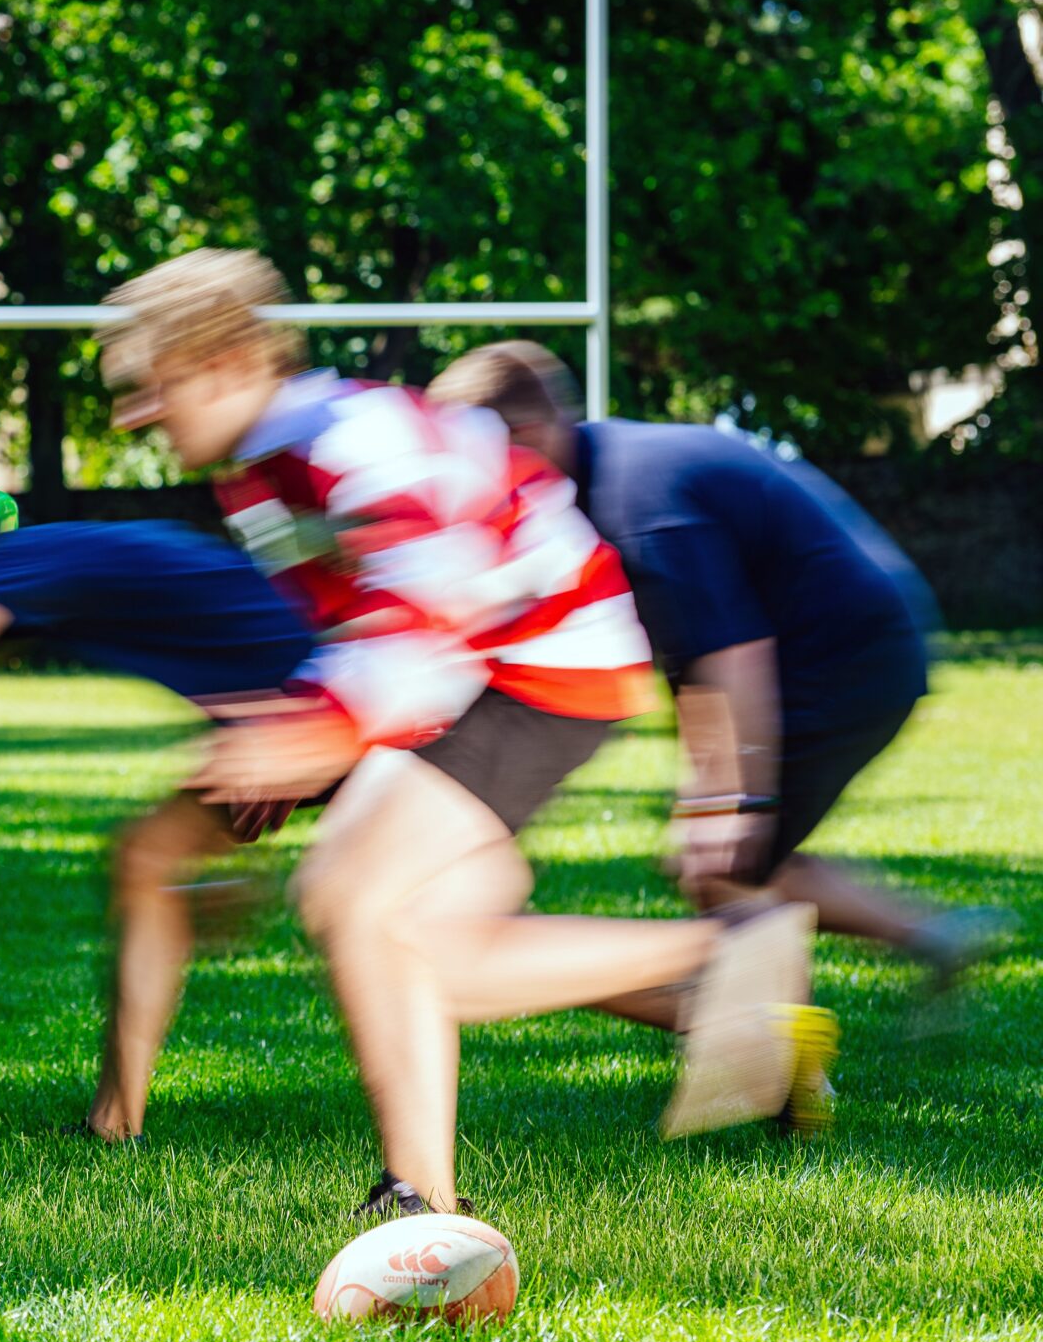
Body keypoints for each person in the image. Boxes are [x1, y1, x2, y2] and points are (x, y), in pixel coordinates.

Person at [98, 249, 836, 1217]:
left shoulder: (345, 439)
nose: (132, 416)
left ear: (225, 364)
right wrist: (289, 747)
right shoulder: (264, 466)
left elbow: (429, 619)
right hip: (493, 667)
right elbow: (354, 627)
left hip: (536, 666)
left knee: (350, 896)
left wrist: (315, 738)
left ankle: (421, 1198)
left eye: (148, 385)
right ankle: (740, 1000)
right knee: (430, 950)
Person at [426, 342, 1012, 995]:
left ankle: (780, 1054)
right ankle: (930, 937)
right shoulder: (594, 482)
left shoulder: (634, 507)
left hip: (849, 655)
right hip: (839, 642)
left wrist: (735, 798)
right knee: (737, 862)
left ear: (531, 435)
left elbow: (732, 652)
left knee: (727, 865)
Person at [0, 518, 316, 1141]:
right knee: (145, 857)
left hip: (331, 698)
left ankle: (121, 1116)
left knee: (369, 913)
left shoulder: (8, 566)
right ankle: (114, 1120)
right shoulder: (61, 553)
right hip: (293, 693)